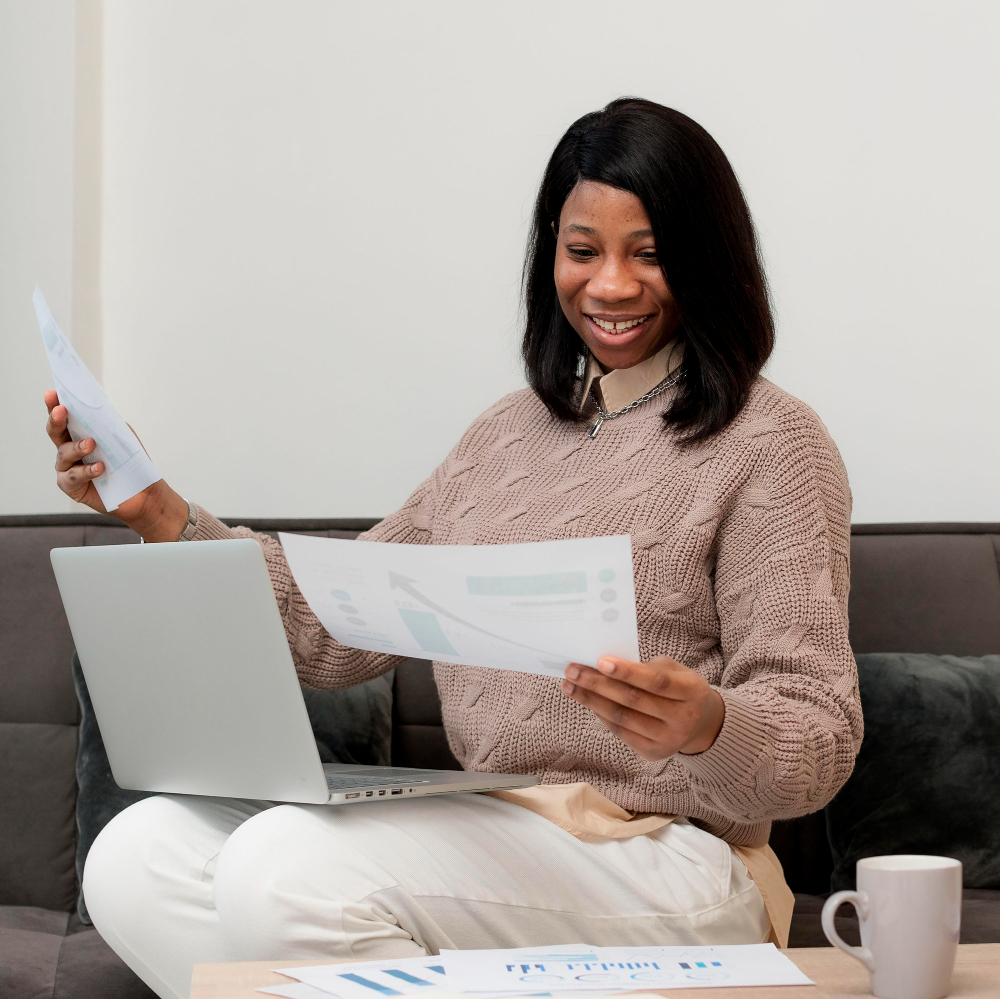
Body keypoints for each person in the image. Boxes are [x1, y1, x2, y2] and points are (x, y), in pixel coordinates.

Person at [43, 98, 862, 999]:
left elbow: (818, 740)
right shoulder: (503, 438)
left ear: (708, 257)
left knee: (282, 866)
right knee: (135, 853)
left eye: (652, 253)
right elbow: (330, 628)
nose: (612, 284)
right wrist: (159, 509)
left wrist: (709, 722)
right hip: (496, 833)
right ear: (550, 251)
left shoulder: (772, 442)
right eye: (583, 250)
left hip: (668, 858)